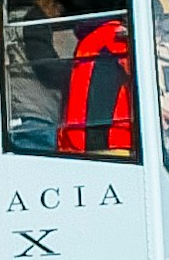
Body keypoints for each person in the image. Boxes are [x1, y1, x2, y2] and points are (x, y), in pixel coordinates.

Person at [57, 8, 135, 153]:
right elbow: (139, 81)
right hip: (113, 139)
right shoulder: (115, 38)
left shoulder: (86, 43)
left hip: (77, 142)